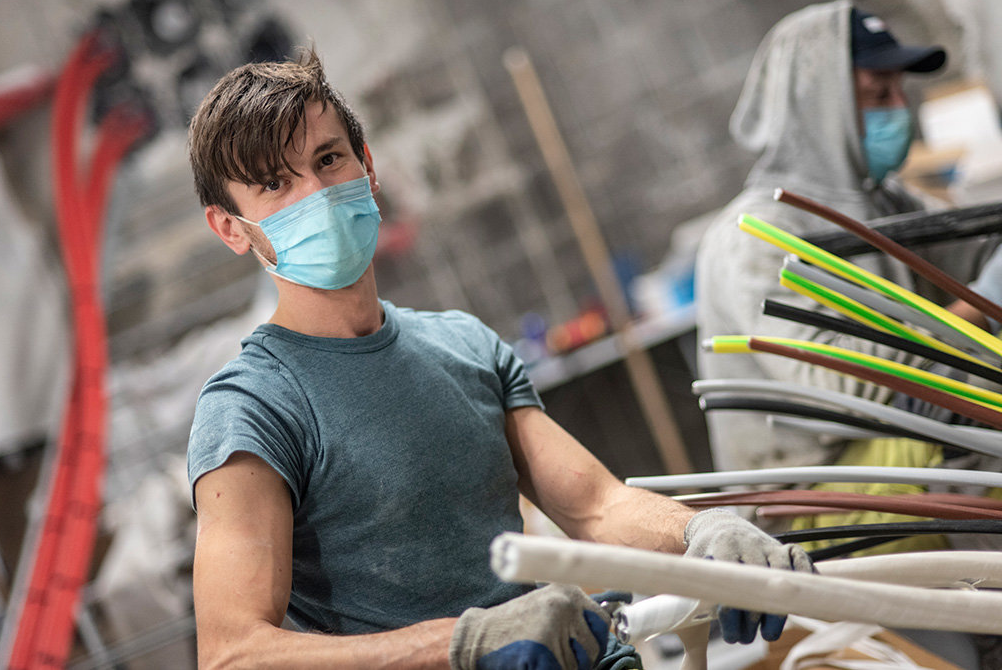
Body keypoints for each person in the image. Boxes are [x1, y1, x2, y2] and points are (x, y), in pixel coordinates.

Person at [185, 49, 814, 669]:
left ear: (367, 166)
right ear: (231, 228)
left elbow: (596, 504)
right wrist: (465, 644)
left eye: (329, 159)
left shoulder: (462, 343)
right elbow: (234, 651)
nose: (317, 194)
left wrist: (703, 534)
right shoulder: (253, 408)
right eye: (274, 183)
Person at [693, 0, 989, 473]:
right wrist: (980, 303)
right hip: (815, 494)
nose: (900, 110)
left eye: (900, 91)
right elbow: (844, 393)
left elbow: (975, 259)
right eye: (878, 95)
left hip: (898, 451)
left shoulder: (887, 201)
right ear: (817, 105)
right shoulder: (757, 234)